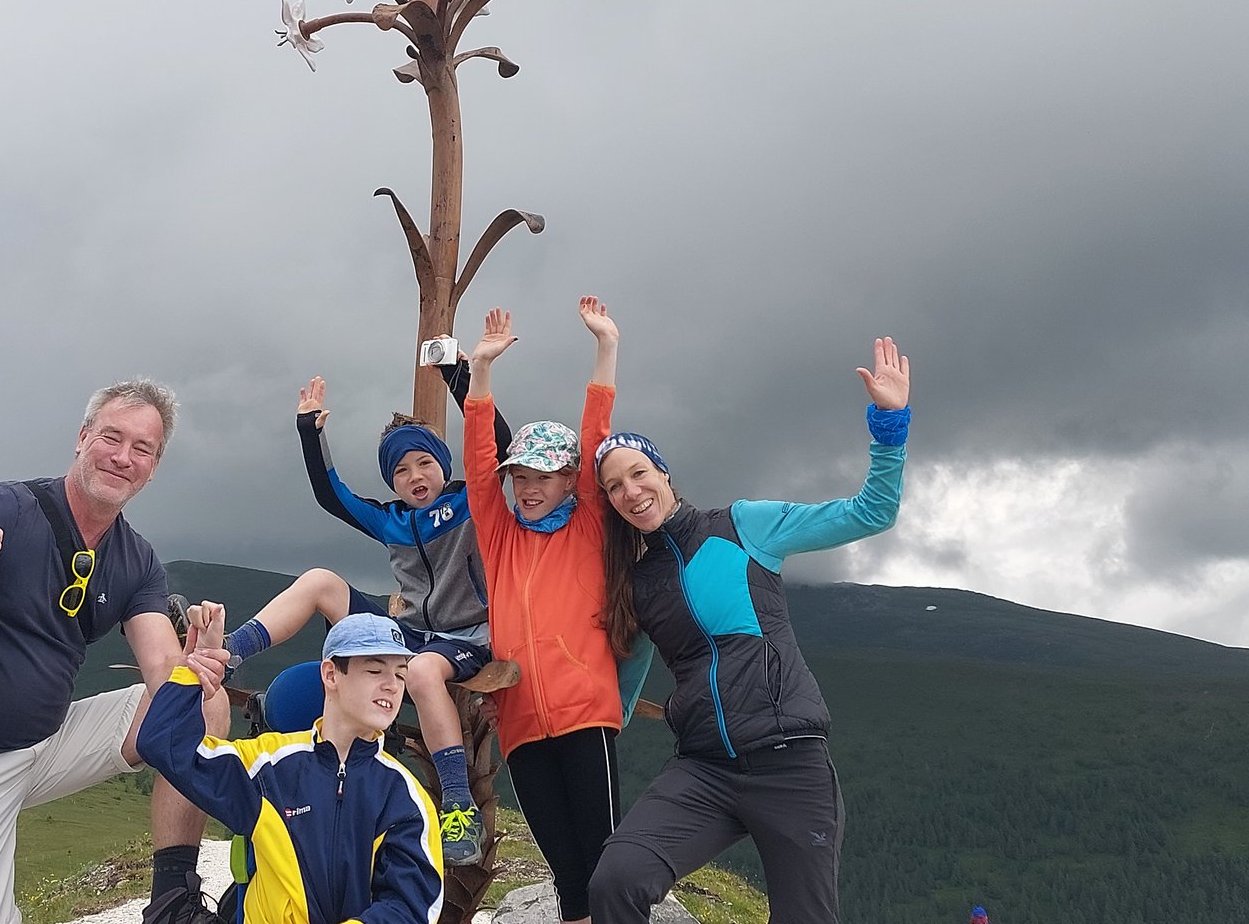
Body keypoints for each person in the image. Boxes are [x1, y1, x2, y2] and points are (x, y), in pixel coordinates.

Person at [0, 379, 228, 924]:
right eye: (111, 437)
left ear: (154, 467)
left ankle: (172, 900)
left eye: (142, 448)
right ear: (82, 438)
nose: (123, 457)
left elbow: (161, 668)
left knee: (203, 703)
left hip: (43, 747)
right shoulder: (7, 509)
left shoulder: (136, 560)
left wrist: (192, 670)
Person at [585, 338, 913, 924]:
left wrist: (890, 424)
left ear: (663, 473)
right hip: (703, 768)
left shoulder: (742, 527)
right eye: (614, 486)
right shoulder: (637, 581)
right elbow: (623, 687)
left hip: (790, 765)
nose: (631, 492)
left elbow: (872, 512)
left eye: (638, 474)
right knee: (617, 881)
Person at [228, 366, 507, 864]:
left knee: (422, 671)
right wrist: (310, 432)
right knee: (321, 581)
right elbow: (330, 494)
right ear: (391, 481)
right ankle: (229, 652)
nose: (415, 476)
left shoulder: (471, 500)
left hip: (468, 637)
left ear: (444, 465)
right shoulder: (390, 519)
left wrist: (458, 376)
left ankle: (458, 807)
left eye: (424, 463)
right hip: (410, 633)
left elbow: (499, 446)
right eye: (401, 471)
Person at [460, 298, 625, 924]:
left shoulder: (589, 524)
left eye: (545, 476)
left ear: (570, 479)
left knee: (604, 862)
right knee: (566, 871)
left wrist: (605, 348)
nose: (528, 488)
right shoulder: (499, 535)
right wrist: (480, 372)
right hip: (521, 724)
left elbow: (597, 437)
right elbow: (479, 468)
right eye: (521, 476)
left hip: (586, 717)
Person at [140, 607, 445, 924]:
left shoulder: (406, 798)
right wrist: (196, 667)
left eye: (400, 674)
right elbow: (164, 743)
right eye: (375, 670)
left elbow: (409, 909)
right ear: (331, 675)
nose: (392, 686)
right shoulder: (266, 765)